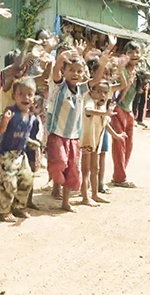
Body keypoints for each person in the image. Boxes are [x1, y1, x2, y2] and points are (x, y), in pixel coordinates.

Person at [46, 42, 108, 213]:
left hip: (74, 137)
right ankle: (53, 180)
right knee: (60, 163)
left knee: (72, 169)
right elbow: (55, 72)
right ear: (65, 72)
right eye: (71, 70)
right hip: (58, 134)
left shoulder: (81, 90)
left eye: (79, 71)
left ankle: (66, 202)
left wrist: (103, 61)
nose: (75, 74)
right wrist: (61, 58)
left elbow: (96, 80)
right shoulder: (60, 86)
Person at [111, 43, 150, 188]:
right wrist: (129, 82)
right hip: (118, 109)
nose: (135, 55)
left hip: (129, 112)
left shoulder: (139, 72)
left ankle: (120, 175)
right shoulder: (120, 70)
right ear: (125, 54)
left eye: (137, 52)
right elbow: (120, 97)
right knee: (119, 144)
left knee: (128, 145)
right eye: (131, 52)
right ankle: (119, 177)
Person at [0, 78, 41, 222]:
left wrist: (32, 142)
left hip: (21, 154)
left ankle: (18, 207)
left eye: (29, 94)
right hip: (7, 154)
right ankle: (3, 211)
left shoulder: (31, 117)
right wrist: (5, 122)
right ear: (14, 96)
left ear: (34, 97)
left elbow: (24, 135)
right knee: (8, 183)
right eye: (21, 94)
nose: (25, 98)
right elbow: (0, 130)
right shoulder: (10, 112)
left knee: (26, 180)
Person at [79, 80, 125, 206]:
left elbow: (105, 123)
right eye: (98, 92)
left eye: (105, 92)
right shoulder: (89, 101)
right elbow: (88, 111)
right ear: (91, 91)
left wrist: (116, 135)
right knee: (85, 169)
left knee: (95, 168)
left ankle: (94, 194)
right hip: (87, 140)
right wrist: (104, 112)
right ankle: (85, 196)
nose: (102, 95)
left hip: (96, 141)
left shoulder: (103, 106)